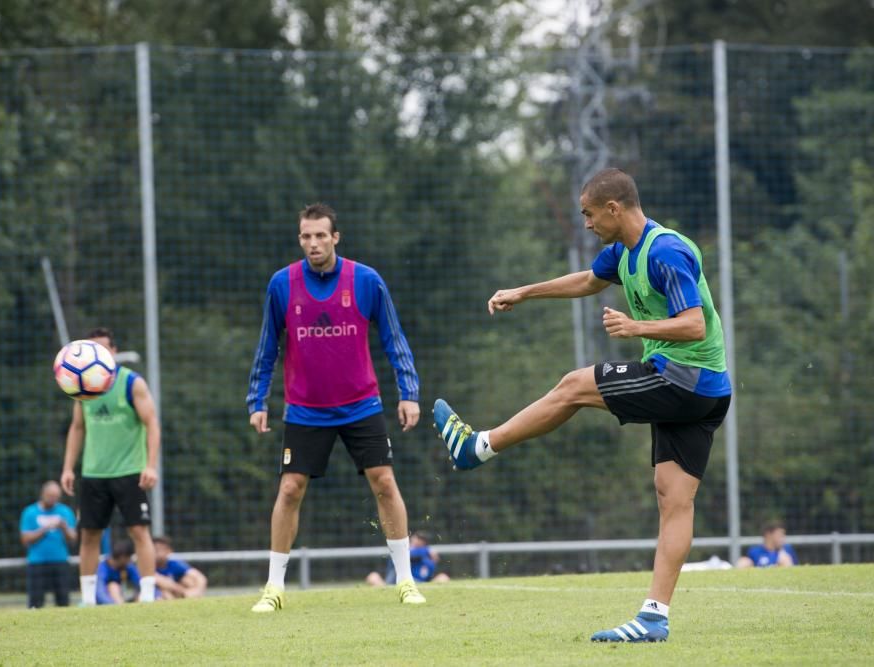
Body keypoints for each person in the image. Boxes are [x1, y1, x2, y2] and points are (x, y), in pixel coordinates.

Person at [434, 168, 731, 643]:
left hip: (685, 380)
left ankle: (478, 447)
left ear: (614, 209)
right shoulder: (624, 251)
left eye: (590, 214)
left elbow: (693, 325)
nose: (587, 224)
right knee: (674, 500)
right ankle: (654, 617)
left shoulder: (667, 251)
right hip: (706, 392)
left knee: (574, 385)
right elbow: (589, 280)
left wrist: (636, 329)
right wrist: (524, 292)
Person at [246, 202, 424, 612]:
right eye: (306, 236)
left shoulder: (365, 280)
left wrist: (408, 392)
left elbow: (394, 339)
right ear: (300, 239)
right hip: (305, 408)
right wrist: (258, 400)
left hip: (361, 404)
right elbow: (266, 348)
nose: (313, 243)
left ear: (335, 237)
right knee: (290, 488)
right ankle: (274, 588)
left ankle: (407, 580)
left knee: (383, 481)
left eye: (320, 235)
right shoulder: (282, 284)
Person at [60, 327, 161, 606]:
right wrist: (69, 467)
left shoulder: (132, 383)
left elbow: (152, 423)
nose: (98, 356)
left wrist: (150, 466)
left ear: (114, 352)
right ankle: (88, 599)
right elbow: (77, 427)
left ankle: (149, 594)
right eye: (93, 350)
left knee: (139, 531)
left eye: (103, 350)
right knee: (89, 534)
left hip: (129, 471)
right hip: (94, 474)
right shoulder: (82, 388)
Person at [20, 480, 78, 608]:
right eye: (50, 496)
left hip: (60, 561)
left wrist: (64, 527)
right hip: (37, 562)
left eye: (56, 497)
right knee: (35, 602)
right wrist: (45, 529)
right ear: (43, 494)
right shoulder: (30, 512)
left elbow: (73, 538)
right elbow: (25, 539)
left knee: (63, 601)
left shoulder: (65, 512)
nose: (53, 500)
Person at [366, 531, 451, 587]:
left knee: (443, 577)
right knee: (373, 576)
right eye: (416, 538)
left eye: (421, 540)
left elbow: (427, 576)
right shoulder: (401, 551)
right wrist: (427, 550)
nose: (418, 541)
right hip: (394, 585)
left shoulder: (427, 560)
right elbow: (410, 554)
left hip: (418, 586)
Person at [96, 540, 142, 605]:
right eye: (129, 558)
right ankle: (121, 606)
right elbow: (99, 592)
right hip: (110, 601)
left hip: (128, 596)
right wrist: (112, 604)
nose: (130, 560)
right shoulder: (103, 568)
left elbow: (140, 582)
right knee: (113, 586)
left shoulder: (128, 567)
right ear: (123, 557)